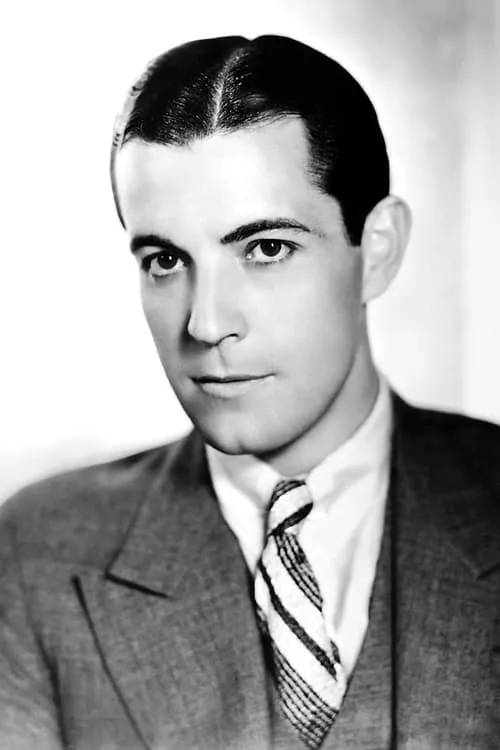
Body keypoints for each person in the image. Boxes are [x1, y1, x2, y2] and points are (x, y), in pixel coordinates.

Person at [0, 34, 499, 750]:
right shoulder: (35, 556)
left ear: (378, 250)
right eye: (166, 260)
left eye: (266, 249)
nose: (205, 324)